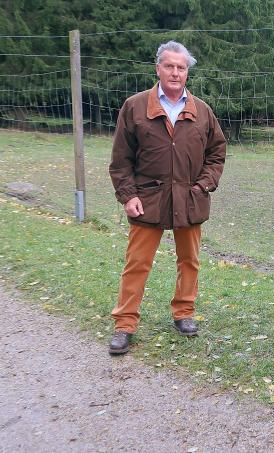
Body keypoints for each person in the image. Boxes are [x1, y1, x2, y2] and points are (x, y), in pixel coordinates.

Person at [108, 41, 227, 355]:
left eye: (182, 67)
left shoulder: (202, 110)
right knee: (137, 263)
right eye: (170, 66)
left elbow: (217, 153)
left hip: (190, 198)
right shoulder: (134, 106)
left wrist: (203, 185)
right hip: (148, 199)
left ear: (187, 72)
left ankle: (184, 313)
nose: (176, 73)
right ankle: (124, 324)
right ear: (158, 68)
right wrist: (127, 195)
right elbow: (120, 160)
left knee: (189, 261)